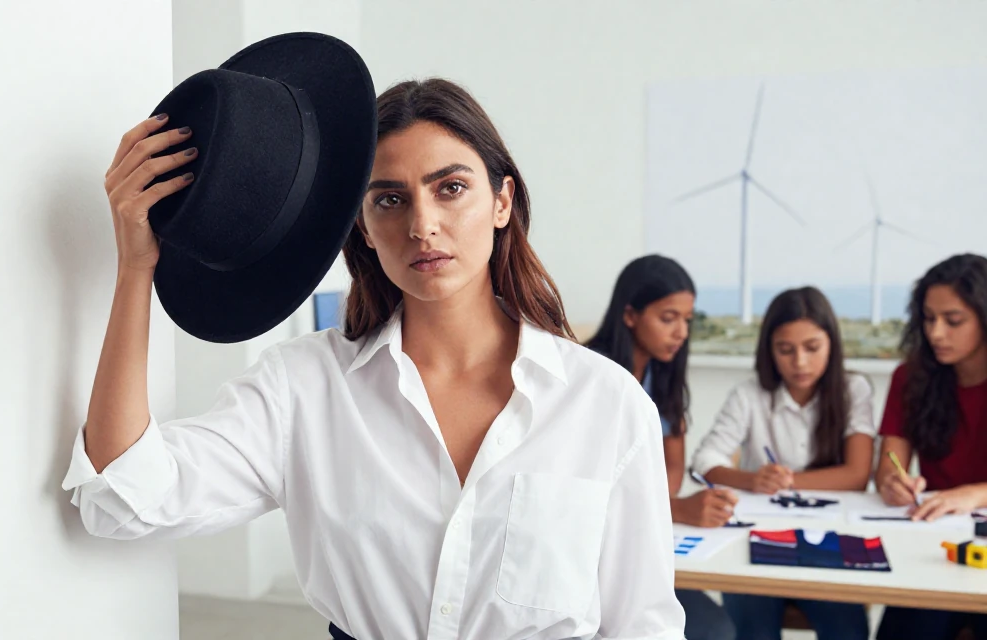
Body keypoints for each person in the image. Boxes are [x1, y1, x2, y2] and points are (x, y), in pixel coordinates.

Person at [63, 77, 685, 639]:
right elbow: (120, 497)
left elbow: (643, 626)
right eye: (389, 199)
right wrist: (136, 267)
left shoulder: (604, 403)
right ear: (361, 224)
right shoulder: (304, 388)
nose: (423, 224)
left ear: (502, 202)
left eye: (452, 189)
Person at [691, 287, 875, 640]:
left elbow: (856, 475)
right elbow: (704, 461)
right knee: (749, 624)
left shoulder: (854, 390)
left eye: (812, 348)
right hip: (758, 540)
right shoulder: (750, 394)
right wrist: (751, 479)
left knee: (847, 628)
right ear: (769, 350)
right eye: (785, 350)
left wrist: (788, 482)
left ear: (832, 344)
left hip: (830, 544)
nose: (800, 362)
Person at [585, 254, 737, 640]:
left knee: (718, 624)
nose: (681, 332)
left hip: (642, 547)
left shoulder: (662, 374)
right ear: (631, 315)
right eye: (668, 318)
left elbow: (670, 473)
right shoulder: (588, 378)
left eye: (687, 320)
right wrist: (679, 509)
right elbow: (583, 492)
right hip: (592, 558)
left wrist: (669, 505)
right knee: (713, 629)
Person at [874, 254, 987, 640]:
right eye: (928, 318)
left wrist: (974, 494)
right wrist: (893, 483)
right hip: (933, 551)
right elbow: (890, 464)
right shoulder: (910, 378)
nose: (936, 332)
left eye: (953, 321)